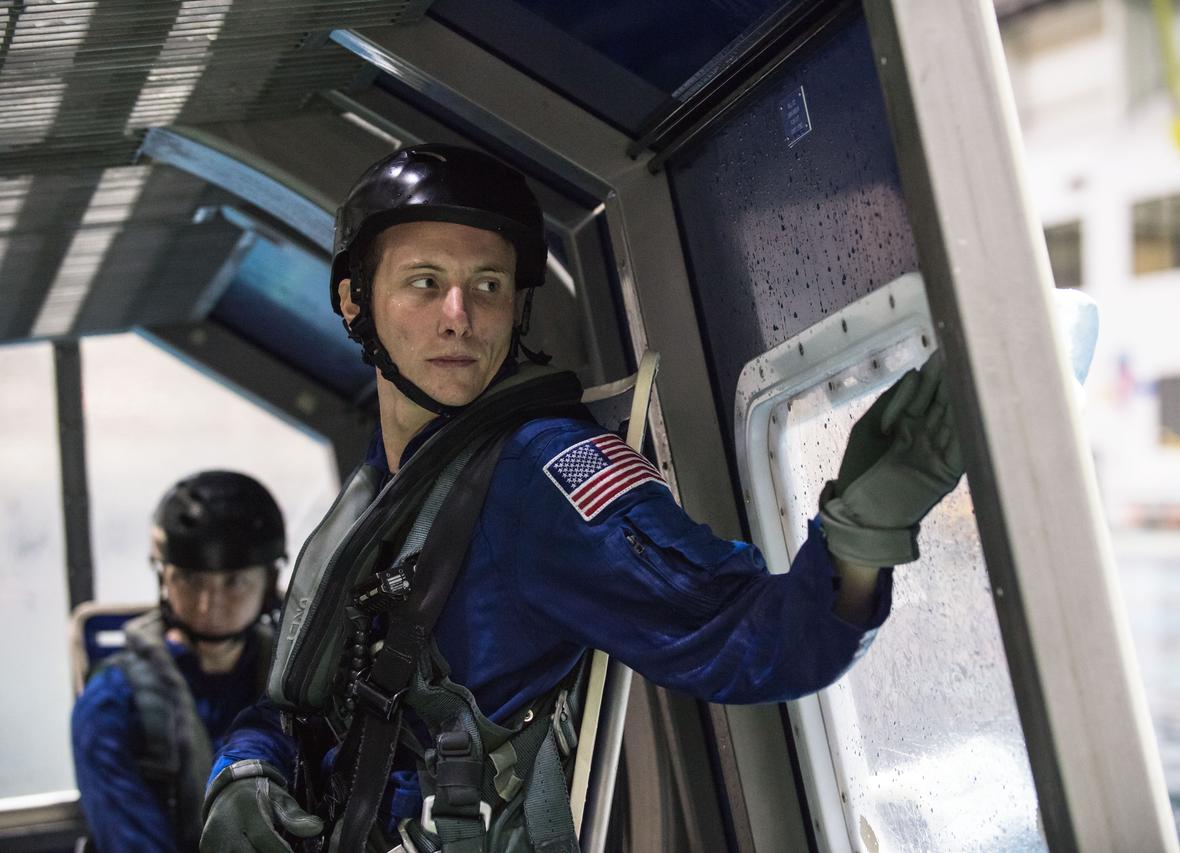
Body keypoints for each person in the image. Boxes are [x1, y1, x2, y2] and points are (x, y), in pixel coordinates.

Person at [200, 144, 963, 853]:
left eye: (488, 287)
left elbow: (757, 639)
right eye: (425, 284)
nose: (459, 315)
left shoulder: (541, 475)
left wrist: (863, 531)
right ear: (353, 302)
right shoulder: (386, 488)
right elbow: (297, 708)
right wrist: (241, 771)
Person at [72, 471, 286, 852]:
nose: (209, 605)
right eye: (189, 579)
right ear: (164, 579)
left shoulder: (301, 682)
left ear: (269, 581)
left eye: (234, 581)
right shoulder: (112, 703)